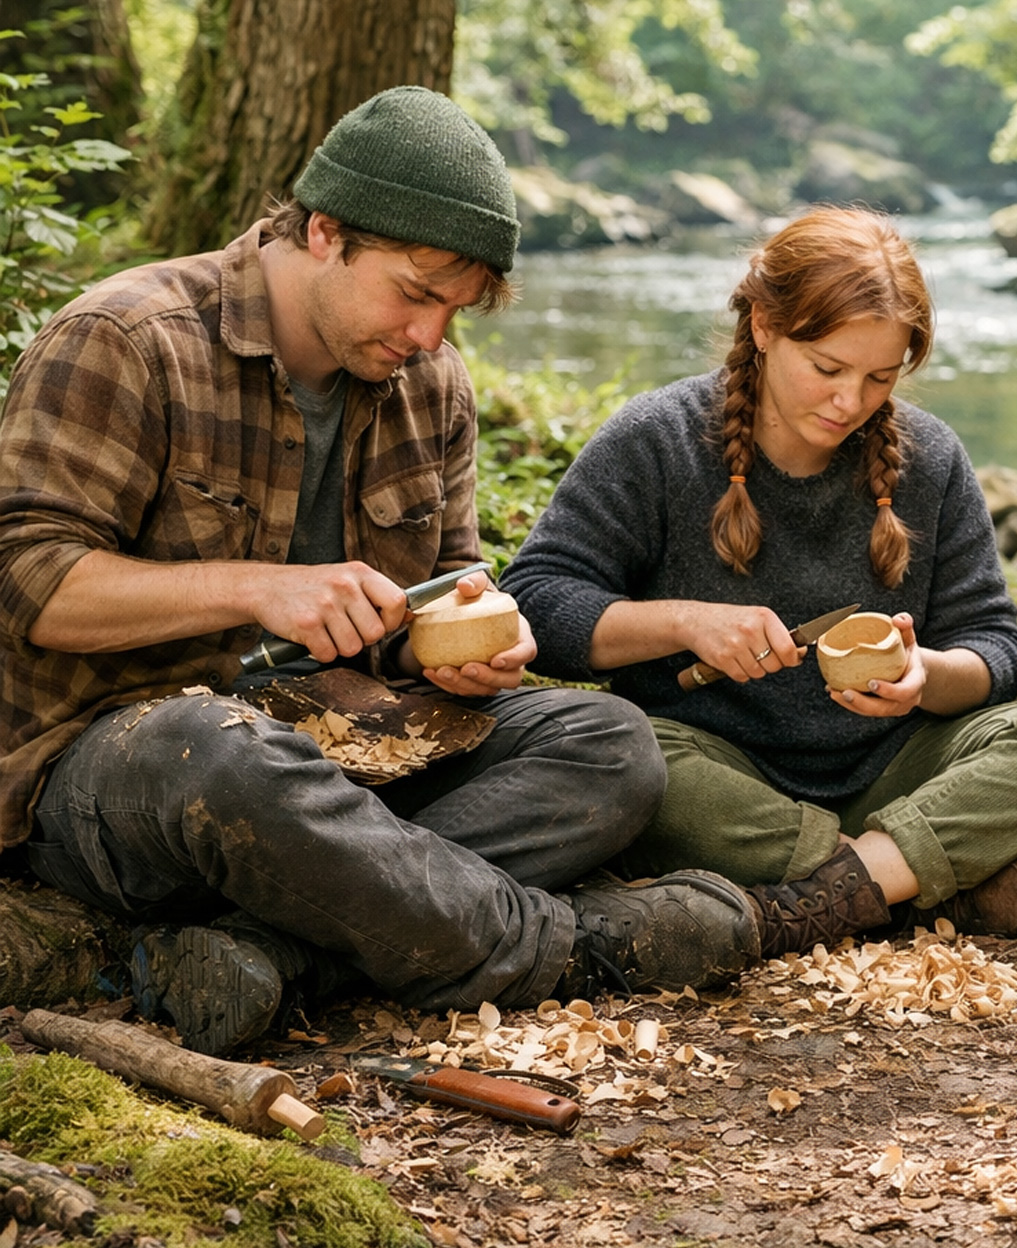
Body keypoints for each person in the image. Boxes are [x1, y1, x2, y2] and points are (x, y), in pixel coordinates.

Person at [0, 86, 764, 1057]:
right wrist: (257, 586)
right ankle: (567, 949)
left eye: (457, 309)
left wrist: (473, 641)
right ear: (325, 231)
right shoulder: (125, 340)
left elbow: (449, 582)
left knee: (609, 744)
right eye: (416, 292)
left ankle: (278, 952)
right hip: (123, 764)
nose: (432, 336)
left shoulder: (429, 383)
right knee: (219, 746)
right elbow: (27, 582)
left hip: (346, 748)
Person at [501, 205, 1017, 960]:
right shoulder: (656, 440)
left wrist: (925, 678)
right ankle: (915, 879)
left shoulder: (931, 458)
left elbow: (995, 649)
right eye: (826, 368)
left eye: (879, 378)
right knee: (629, 759)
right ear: (762, 325)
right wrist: (685, 623)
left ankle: (811, 902)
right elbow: (535, 603)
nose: (849, 403)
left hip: (897, 772)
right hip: (722, 780)